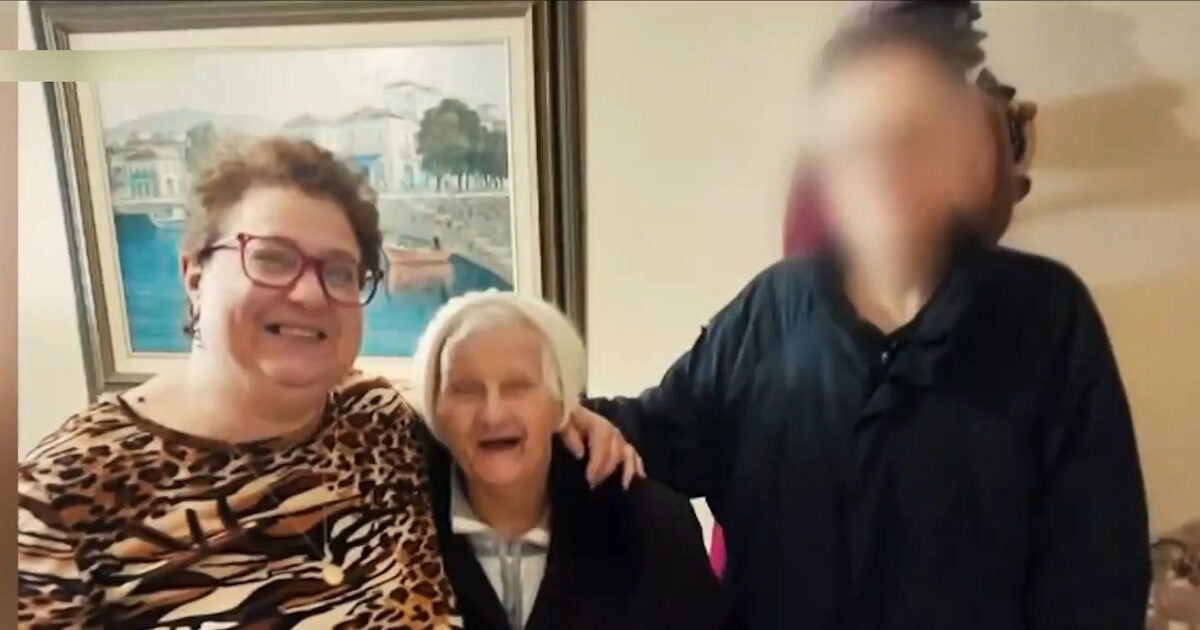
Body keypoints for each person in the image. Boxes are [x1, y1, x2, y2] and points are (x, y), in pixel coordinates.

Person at [565, 7, 1151, 630]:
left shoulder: (1047, 317)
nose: (884, 168)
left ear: (963, 152)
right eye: (857, 141)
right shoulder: (771, 311)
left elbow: (1098, 573)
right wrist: (552, 411)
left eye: (912, 137)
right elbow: (655, 436)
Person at [17, 137, 458, 628]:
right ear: (194, 276)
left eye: (339, 272)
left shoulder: (377, 418)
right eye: (272, 258)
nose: (310, 294)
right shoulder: (54, 500)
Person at [412, 291, 730, 630]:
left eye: (518, 387)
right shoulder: (396, 522)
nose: (493, 414)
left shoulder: (650, 525)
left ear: (562, 406)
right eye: (464, 390)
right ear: (433, 410)